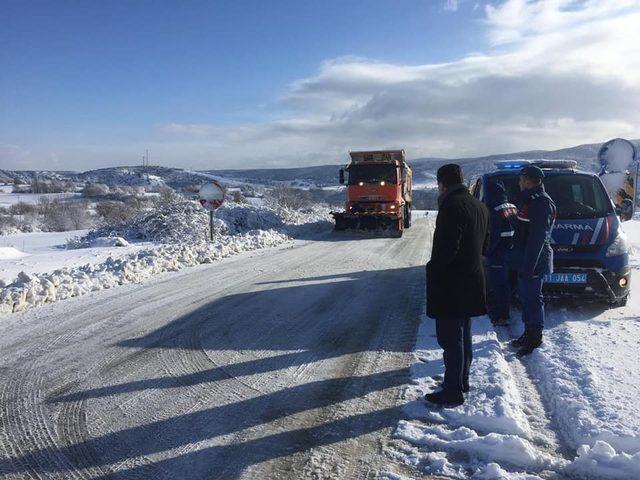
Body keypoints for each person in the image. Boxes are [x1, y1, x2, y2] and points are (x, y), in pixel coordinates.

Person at [425, 164, 489, 407]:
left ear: (442, 183)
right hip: (473, 279)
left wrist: (434, 270)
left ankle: (452, 391)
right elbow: (485, 245)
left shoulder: (451, 206)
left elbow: (445, 250)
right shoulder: (479, 206)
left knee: (450, 340)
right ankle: (461, 380)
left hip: (452, 283)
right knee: (464, 335)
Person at [510, 165, 556, 356]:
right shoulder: (530, 200)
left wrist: (528, 266)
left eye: (521, 180)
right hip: (526, 259)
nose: (519, 183)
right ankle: (528, 333)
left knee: (533, 299)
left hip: (534, 261)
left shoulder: (540, 203)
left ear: (528, 181)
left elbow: (537, 237)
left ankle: (534, 338)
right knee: (526, 298)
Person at [485, 181, 517, 326]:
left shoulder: (495, 210)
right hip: (512, 251)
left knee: (498, 285)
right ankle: (505, 309)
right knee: (507, 283)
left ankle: (501, 315)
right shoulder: (512, 207)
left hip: (499, 253)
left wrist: (487, 252)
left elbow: (494, 236)